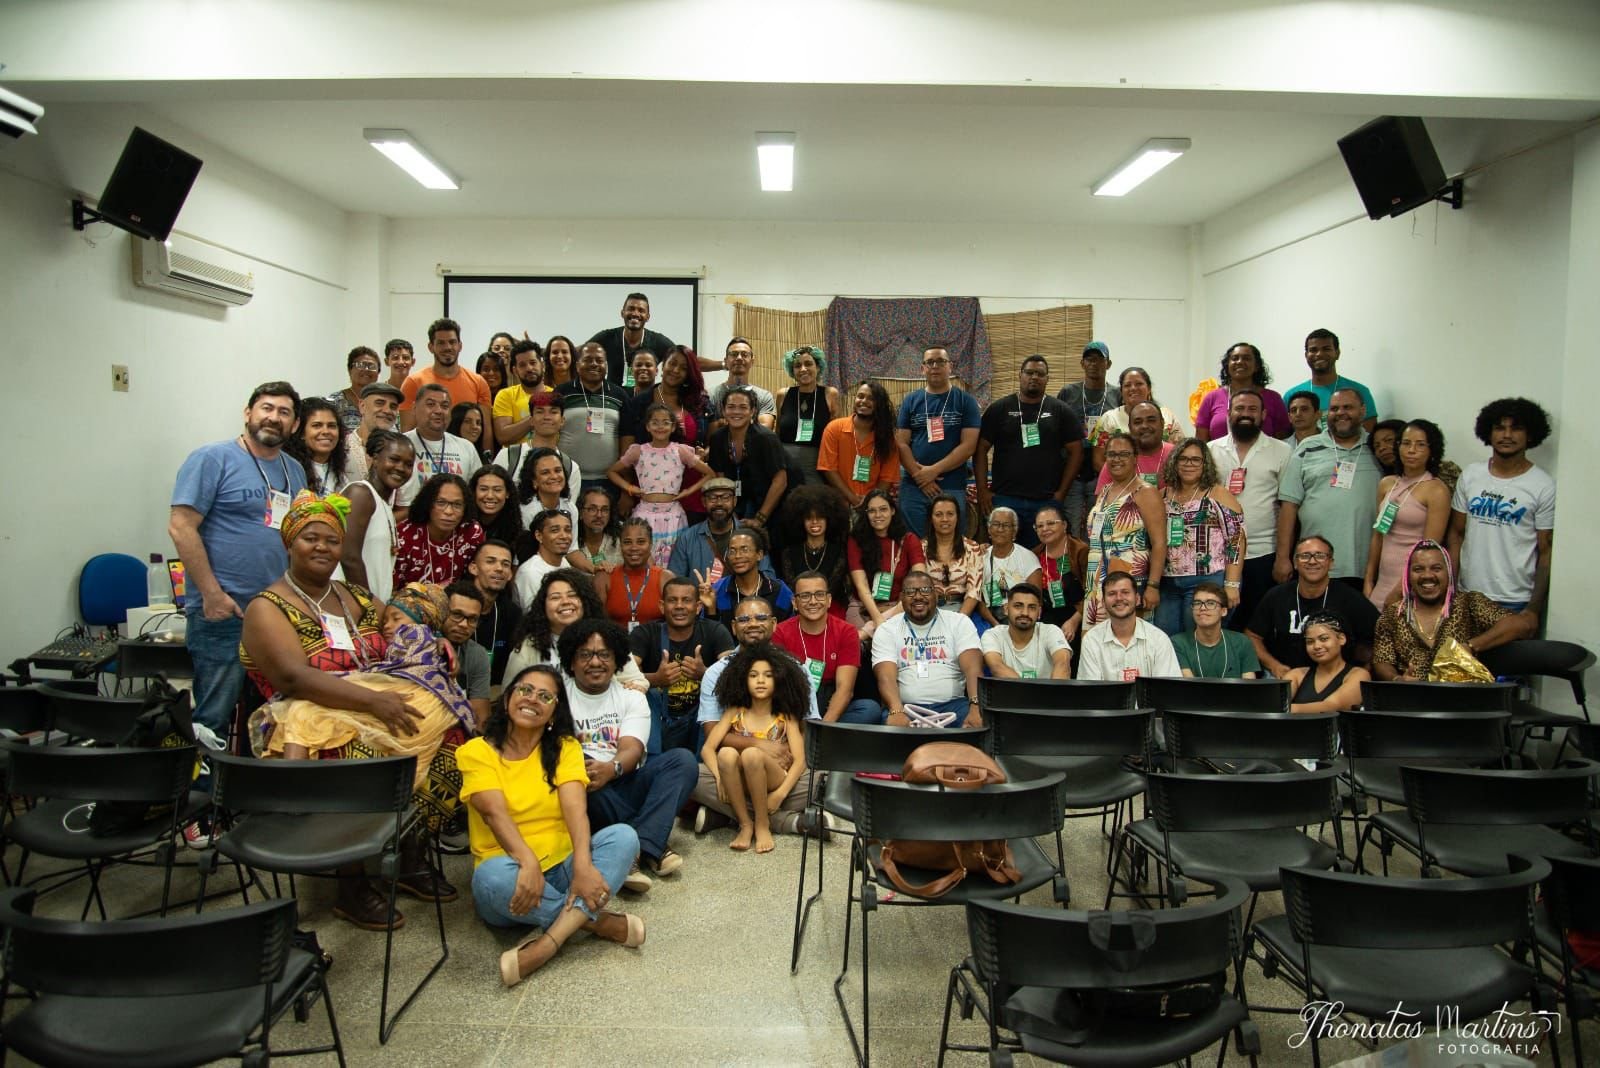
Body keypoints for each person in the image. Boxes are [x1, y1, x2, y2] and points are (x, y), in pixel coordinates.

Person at [241, 505, 473, 925]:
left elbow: (403, 621)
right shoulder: (267, 606)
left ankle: (409, 852)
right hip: (308, 712)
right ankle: (351, 883)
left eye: (332, 540)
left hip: (378, 698)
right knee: (356, 759)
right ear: (289, 542)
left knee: (455, 739)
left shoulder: (355, 595)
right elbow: (293, 678)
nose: (323, 548)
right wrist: (372, 702)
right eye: (311, 538)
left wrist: (435, 639)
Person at [458, 664, 644, 988]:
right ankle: (596, 923)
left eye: (545, 696)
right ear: (508, 698)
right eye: (525, 690)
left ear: (555, 713)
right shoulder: (475, 751)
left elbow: (576, 810)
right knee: (488, 877)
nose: (533, 699)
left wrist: (582, 865)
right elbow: (493, 813)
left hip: (563, 869)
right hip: (510, 873)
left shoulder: (564, 748)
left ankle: (546, 945)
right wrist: (527, 862)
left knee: (624, 837)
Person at [169, 381, 309, 735]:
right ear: (248, 413)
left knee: (268, 720)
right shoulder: (212, 459)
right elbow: (181, 527)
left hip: (276, 613)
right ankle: (203, 772)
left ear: (294, 425)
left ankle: (251, 773)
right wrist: (212, 594)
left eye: (284, 412)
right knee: (213, 718)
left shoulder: (294, 470)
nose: (273, 417)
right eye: (266, 408)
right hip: (226, 612)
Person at [559, 618, 698, 890]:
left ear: (617, 661)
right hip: (584, 787)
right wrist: (595, 771)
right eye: (585, 655)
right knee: (580, 769)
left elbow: (632, 748)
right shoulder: (559, 697)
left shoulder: (630, 696)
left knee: (682, 761)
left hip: (623, 776)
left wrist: (612, 768)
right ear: (571, 662)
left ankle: (636, 849)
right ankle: (652, 843)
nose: (595, 662)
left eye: (604, 655)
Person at [691, 597, 821, 837]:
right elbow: (712, 739)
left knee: (822, 780)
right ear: (733, 627)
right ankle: (785, 821)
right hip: (733, 768)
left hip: (780, 770)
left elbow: (808, 730)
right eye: (744, 619)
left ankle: (727, 815)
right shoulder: (716, 673)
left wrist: (785, 758)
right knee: (690, 775)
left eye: (761, 617)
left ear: (774, 624)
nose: (752, 624)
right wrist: (759, 745)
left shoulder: (796, 669)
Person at [1448, 397, 1556, 617]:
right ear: (1488, 433)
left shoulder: (1543, 485)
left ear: (1530, 435)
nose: (1507, 435)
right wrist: (1451, 589)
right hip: (1467, 594)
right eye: (1499, 428)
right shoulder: (1471, 475)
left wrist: (1533, 610)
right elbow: (1456, 535)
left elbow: (1546, 552)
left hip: (1515, 600)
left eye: (1516, 428)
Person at [701, 644, 809, 854]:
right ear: (743, 680)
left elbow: (800, 760)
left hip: (774, 778)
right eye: (753, 675)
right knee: (725, 754)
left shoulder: (786, 716)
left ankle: (762, 823)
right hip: (738, 779)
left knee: (752, 755)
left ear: (779, 680)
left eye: (768, 675)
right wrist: (720, 778)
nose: (760, 680)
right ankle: (745, 823)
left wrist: (780, 794)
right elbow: (708, 749)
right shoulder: (735, 712)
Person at [1372, 540, 1532, 680]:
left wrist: (1471, 646)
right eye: (1418, 569)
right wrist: (1397, 679)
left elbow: (1520, 625)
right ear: (1408, 575)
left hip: (1462, 697)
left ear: (1448, 572)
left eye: (1436, 568)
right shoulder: (1393, 615)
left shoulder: (1469, 603)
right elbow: (1381, 660)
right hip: (1412, 698)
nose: (1427, 575)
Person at [1275, 387, 1381, 587]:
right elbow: (1288, 506)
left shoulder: (1376, 447)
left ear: (1363, 410)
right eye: (1334, 409)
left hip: (1367, 566)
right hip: (1315, 564)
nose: (1340, 413)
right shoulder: (1307, 447)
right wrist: (1282, 558)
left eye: (1348, 407)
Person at [975, 356, 1084, 550]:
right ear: (1020, 375)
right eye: (1029, 372)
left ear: (1047, 379)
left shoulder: (1061, 411)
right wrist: (982, 490)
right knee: (1003, 554)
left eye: (1040, 374)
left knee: (1043, 555)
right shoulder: (1000, 408)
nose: (1034, 377)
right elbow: (980, 448)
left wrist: (1061, 493)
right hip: (1005, 498)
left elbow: (1076, 452)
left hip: (1046, 500)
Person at [1207, 388, 1291, 631]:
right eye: (1240, 408)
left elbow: (1288, 506)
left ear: (1263, 414)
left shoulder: (1282, 451)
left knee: (1257, 625)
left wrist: (1283, 557)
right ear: (1228, 413)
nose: (1246, 414)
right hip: (1218, 555)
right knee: (1221, 623)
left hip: (1264, 552)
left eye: (1252, 409)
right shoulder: (1210, 450)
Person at [1247, 534, 1379, 679]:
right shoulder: (1277, 595)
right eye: (1305, 556)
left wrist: (1360, 674)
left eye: (1320, 556)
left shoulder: (1351, 598)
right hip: (1285, 676)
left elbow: (1379, 638)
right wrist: (1274, 666)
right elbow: (1252, 636)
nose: (1312, 561)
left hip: (1335, 679)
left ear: (1331, 563)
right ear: (1295, 563)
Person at [631, 576, 736, 753]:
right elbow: (621, 677)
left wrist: (705, 673)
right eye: (672, 600)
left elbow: (734, 675)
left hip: (699, 717)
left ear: (698, 607)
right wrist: (655, 679)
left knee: (717, 696)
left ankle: (705, 759)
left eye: (686, 600)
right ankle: (653, 759)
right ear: (662, 606)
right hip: (659, 716)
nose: (679, 606)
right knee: (644, 694)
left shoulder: (714, 631)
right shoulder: (645, 633)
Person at [1155, 439, 1246, 635]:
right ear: (1174, 462)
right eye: (1183, 459)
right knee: (1166, 640)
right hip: (1168, 584)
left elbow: (1236, 540)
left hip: (1207, 581)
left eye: (1196, 459)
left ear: (1205, 464)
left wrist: (1232, 584)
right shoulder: (1161, 496)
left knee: (1200, 639)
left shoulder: (1218, 494)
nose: (1189, 464)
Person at [503, 569, 648, 692]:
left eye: (572, 595)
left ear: (585, 601)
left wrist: (634, 689)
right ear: (543, 606)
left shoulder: (608, 638)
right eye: (555, 597)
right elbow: (510, 694)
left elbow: (638, 681)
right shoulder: (528, 646)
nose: (565, 602)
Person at [871, 572, 983, 727]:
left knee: (977, 723)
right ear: (901, 598)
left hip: (954, 706)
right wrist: (896, 711)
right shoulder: (887, 629)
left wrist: (976, 707)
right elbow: (886, 677)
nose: (918, 596)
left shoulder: (959, 622)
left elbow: (973, 669)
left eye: (925, 590)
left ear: (936, 595)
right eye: (910, 592)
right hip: (906, 708)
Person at [612, 402, 718, 564]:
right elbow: (611, 471)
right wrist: (629, 487)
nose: (660, 427)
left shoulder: (680, 451)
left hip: (673, 515)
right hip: (645, 514)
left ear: (673, 427)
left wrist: (688, 492)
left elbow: (710, 473)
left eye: (665, 422)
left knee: (673, 561)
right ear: (647, 426)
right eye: (655, 422)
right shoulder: (638, 451)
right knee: (644, 560)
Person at [1082, 432, 1167, 627]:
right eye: (1112, 454)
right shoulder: (1104, 491)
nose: (1117, 459)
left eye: (1124, 454)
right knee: (1098, 638)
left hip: (1129, 578)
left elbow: (1159, 543)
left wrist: (1153, 585)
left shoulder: (1145, 492)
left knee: (1127, 636)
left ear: (1135, 457)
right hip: (1097, 579)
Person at [896, 346, 982, 537]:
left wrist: (933, 471)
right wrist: (920, 477)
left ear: (950, 367)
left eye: (941, 362)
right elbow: (901, 444)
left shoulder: (966, 401)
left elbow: (969, 446)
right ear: (922, 369)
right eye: (930, 362)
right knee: (914, 543)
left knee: (951, 543)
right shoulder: (910, 401)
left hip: (951, 486)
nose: (935, 366)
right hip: (914, 486)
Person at [1364, 419, 1451, 608]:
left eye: (1420, 445)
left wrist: (1399, 591)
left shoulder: (1436, 490)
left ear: (1431, 450)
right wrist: (1368, 580)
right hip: (1382, 583)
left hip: (1412, 586)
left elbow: (1429, 550)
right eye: (1406, 443)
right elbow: (1378, 535)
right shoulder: (1386, 484)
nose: (1411, 450)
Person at [775, 571, 882, 724]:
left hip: (832, 700)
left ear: (829, 600)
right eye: (805, 596)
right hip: (796, 701)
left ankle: (816, 734)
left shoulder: (846, 631)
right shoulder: (780, 632)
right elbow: (781, 688)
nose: (813, 601)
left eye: (819, 595)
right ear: (794, 602)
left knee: (869, 709)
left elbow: (845, 689)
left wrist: (824, 726)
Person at [338, 430, 415, 606]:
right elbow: (348, 556)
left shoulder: (384, 505)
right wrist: (369, 606)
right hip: (353, 606)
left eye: (408, 464)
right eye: (394, 459)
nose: (401, 468)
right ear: (375, 458)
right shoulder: (360, 493)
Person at [1057, 341, 1121, 541]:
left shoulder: (1117, 394)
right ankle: (1074, 562)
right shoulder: (1068, 392)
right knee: (1071, 528)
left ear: (1108, 364)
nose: (1094, 364)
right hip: (1072, 471)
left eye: (1099, 360)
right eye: (1089, 360)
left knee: (1099, 527)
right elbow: (1057, 431)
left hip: (1102, 470)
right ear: (1082, 364)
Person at [400, 317, 493, 453]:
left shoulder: (479, 383)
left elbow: (486, 431)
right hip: (425, 456)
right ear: (431, 347)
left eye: (452, 342)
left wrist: (485, 461)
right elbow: (407, 433)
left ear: (460, 345)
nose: (447, 347)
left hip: (466, 457)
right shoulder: (413, 382)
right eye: (441, 343)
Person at [847, 488, 926, 637]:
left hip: (899, 606)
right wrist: (877, 619)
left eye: (883, 509)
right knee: (853, 641)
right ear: (866, 514)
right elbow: (861, 585)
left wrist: (879, 623)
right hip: (863, 605)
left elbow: (919, 581)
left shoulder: (909, 539)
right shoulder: (856, 540)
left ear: (892, 511)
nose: (878, 515)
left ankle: (865, 633)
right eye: (872, 511)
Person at [667, 478, 777, 584]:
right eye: (713, 498)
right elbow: (675, 582)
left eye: (726, 497)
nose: (719, 503)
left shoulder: (751, 535)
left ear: (734, 501)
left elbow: (768, 578)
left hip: (742, 596)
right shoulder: (687, 538)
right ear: (704, 502)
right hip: (700, 596)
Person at [1077, 572, 1182, 681]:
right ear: (1103, 602)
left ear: (1137, 599)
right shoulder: (1092, 640)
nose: (1119, 598)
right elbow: (1091, 690)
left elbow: (1167, 688)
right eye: (1112, 593)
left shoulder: (1158, 639)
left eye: (1125, 592)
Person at [706, 388, 787, 528]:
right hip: (737, 504)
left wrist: (760, 519)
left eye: (743, 407)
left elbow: (780, 481)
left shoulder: (766, 438)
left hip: (770, 506)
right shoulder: (717, 438)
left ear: (752, 411)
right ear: (723, 411)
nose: (736, 412)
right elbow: (720, 478)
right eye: (731, 407)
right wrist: (730, 512)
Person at [557, 341, 631, 493]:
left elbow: (627, 438)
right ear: (577, 365)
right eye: (588, 360)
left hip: (610, 480)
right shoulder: (561, 393)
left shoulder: (619, 395)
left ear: (606, 366)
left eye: (599, 360)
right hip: (567, 478)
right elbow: (550, 432)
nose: (594, 364)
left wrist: (625, 486)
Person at [398, 382, 482, 513]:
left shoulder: (466, 447)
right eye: (431, 404)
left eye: (444, 406)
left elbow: (477, 492)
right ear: (414, 408)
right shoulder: (399, 445)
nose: (438, 411)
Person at [394, 473, 485, 589]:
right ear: (428, 504)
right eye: (441, 503)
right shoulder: (404, 535)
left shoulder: (471, 532)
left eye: (457, 505)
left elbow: (477, 580)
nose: (449, 511)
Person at [502, 400, 582, 530]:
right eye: (540, 412)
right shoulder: (508, 456)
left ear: (562, 421)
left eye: (553, 412)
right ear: (531, 420)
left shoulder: (571, 467)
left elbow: (566, 515)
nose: (547, 417)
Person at [818, 380, 898, 508]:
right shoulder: (834, 428)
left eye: (871, 398)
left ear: (880, 405)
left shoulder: (887, 439)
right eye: (860, 396)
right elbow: (828, 469)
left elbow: (887, 478)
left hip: (872, 506)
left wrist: (871, 501)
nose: (864, 401)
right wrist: (853, 499)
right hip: (839, 503)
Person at [1087, 367, 1183, 473]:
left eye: (1139, 384)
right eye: (1127, 385)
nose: (1133, 388)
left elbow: (1180, 452)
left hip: (1165, 477)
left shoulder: (1167, 416)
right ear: (1121, 391)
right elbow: (1098, 461)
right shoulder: (1108, 419)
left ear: (1149, 388)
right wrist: (1126, 479)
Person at [776, 484, 852, 616]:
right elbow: (791, 587)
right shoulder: (790, 552)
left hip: (831, 607)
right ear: (800, 521)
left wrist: (815, 602)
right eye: (809, 518)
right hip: (798, 608)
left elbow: (833, 587)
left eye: (820, 517)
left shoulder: (838, 551)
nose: (815, 522)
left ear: (829, 520)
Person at [1283, 328, 1379, 433]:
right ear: (1306, 355)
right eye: (1313, 350)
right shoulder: (1292, 396)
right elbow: (1285, 436)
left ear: (1337, 353)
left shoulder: (1359, 391)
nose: (1319, 354)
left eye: (1326, 349)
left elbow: (1369, 434)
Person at [1193, 343, 1291, 441]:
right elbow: (1201, 443)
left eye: (1246, 358)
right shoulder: (1212, 398)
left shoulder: (1273, 398)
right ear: (1227, 365)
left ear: (1256, 366)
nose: (1240, 362)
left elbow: (1283, 439)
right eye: (1235, 358)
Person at [700, 528, 794, 627]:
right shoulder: (717, 590)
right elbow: (709, 633)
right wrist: (710, 610)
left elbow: (791, 628)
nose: (737, 556)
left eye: (744, 550)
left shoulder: (779, 591)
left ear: (759, 554)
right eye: (732, 551)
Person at [774, 345, 838, 486]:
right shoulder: (783, 394)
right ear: (792, 370)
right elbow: (778, 431)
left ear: (818, 367)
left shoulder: (830, 394)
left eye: (808, 364)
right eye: (797, 366)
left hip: (818, 467)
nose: (803, 369)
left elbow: (835, 436)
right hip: (786, 467)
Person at [586, 292, 682, 387]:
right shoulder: (608, 337)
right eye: (631, 309)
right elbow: (581, 354)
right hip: (613, 396)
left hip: (646, 396)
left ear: (648, 317)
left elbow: (683, 359)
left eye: (641, 310)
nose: (635, 313)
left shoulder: (658, 341)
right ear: (622, 313)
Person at [595, 517, 673, 631]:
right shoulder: (604, 578)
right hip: (616, 641)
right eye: (627, 542)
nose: (634, 548)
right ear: (620, 545)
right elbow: (597, 625)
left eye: (641, 542)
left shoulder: (665, 578)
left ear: (651, 545)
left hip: (656, 641)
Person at [981, 583, 1072, 679]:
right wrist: (1028, 689)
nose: (1025, 613)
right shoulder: (993, 635)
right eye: (1018, 606)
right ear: (1006, 609)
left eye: (1032, 607)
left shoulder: (1051, 631)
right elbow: (997, 667)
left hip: (1048, 690)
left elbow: (1063, 664)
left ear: (1039, 612)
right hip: (1010, 690)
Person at [1283, 612, 1369, 713]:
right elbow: (1276, 703)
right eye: (1310, 642)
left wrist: (1282, 709)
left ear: (1341, 639)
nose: (1316, 646)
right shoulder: (1296, 675)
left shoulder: (1359, 674)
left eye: (1324, 639)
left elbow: (1333, 706)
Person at [1172, 582, 1261, 678]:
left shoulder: (1242, 642)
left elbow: (1248, 683)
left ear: (1223, 611)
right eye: (1197, 603)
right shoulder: (1178, 643)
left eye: (1210, 603)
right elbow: (1188, 684)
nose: (1202, 608)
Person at [466, 539, 521, 687]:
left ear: (510, 574)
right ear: (473, 568)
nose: (499, 569)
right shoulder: (453, 604)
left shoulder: (513, 614)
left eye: (505, 564)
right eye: (490, 561)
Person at [1030, 501, 1087, 643]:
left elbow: (1093, 592)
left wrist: (1074, 621)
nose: (1045, 529)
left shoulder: (1081, 551)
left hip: (1079, 615)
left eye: (1051, 523)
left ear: (1064, 525)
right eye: (1040, 526)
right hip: (1048, 616)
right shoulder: (1035, 554)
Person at [977, 508, 1043, 629]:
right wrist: (995, 624)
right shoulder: (980, 557)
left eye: (1006, 525)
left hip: (1020, 616)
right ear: (989, 529)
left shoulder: (1027, 557)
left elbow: (1035, 600)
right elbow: (977, 599)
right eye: (996, 524)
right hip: (988, 617)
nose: (1000, 529)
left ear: (1014, 531)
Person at [921, 493, 983, 620]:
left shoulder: (972, 548)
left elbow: (974, 592)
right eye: (938, 514)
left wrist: (959, 621)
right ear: (931, 518)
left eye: (950, 514)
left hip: (962, 609)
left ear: (957, 517)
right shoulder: (920, 548)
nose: (945, 519)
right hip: (928, 609)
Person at [441, 581, 492, 728]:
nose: (464, 624)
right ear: (441, 611)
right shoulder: (420, 642)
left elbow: (480, 719)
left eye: (472, 619)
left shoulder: (477, 654)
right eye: (457, 615)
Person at [1095, 401, 1173, 490]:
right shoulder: (1117, 458)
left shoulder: (1176, 455)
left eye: (1151, 420)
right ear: (1130, 428)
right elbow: (1102, 497)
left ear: (1162, 423)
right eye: (1137, 422)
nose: (1144, 426)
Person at [283, 397, 349, 498]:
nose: (326, 431)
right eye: (317, 425)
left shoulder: (341, 477)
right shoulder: (288, 468)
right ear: (302, 433)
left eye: (331, 426)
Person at [513, 509, 579, 610]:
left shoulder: (564, 562)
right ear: (539, 535)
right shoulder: (530, 572)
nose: (564, 536)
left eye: (567, 530)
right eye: (555, 530)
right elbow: (534, 614)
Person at [491, 340, 551, 448]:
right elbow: (503, 436)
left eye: (533, 363)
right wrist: (534, 418)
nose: (529, 368)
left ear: (542, 365)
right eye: (522, 365)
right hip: (516, 458)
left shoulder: (555, 394)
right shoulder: (505, 395)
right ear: (515, 371)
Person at [509, 446, 579, 536]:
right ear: (534, 480)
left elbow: (573, 544)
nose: (554, 476)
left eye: (558, 470)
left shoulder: (570, 508)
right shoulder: (525, 511)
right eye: (545, 472)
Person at [343, 381, 404, 484]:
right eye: (380, 403)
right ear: (362, 406)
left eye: (393, 406)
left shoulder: (401, 450)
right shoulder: (342, 447)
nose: (387, 410)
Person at [708, 337, 776, 428]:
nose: (739, 358)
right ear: (726, 361)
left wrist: (722, 423)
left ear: (752, 361)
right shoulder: (710, 395)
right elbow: (708, 431)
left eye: (744, 354)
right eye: (734, 354)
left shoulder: (764, 396)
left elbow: (765, 428)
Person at [468, 464, 524, 553]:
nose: (490, 496)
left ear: (507, 493)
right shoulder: (462, 524)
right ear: (474, 492)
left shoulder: (514, 528)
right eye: (483, 489)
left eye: (497, 490)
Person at [329, 346, 382, 432]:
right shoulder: (335, 400)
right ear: (350, 370)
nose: (366, 369)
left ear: (378, 372)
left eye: (371, 366)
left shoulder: (386, 401)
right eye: (360, 365)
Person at [573, 486, 623, 572]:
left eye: (605, 510)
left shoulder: (622, 536)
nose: (599, 515)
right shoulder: (570, 542)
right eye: (592, 509)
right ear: (580, 513)